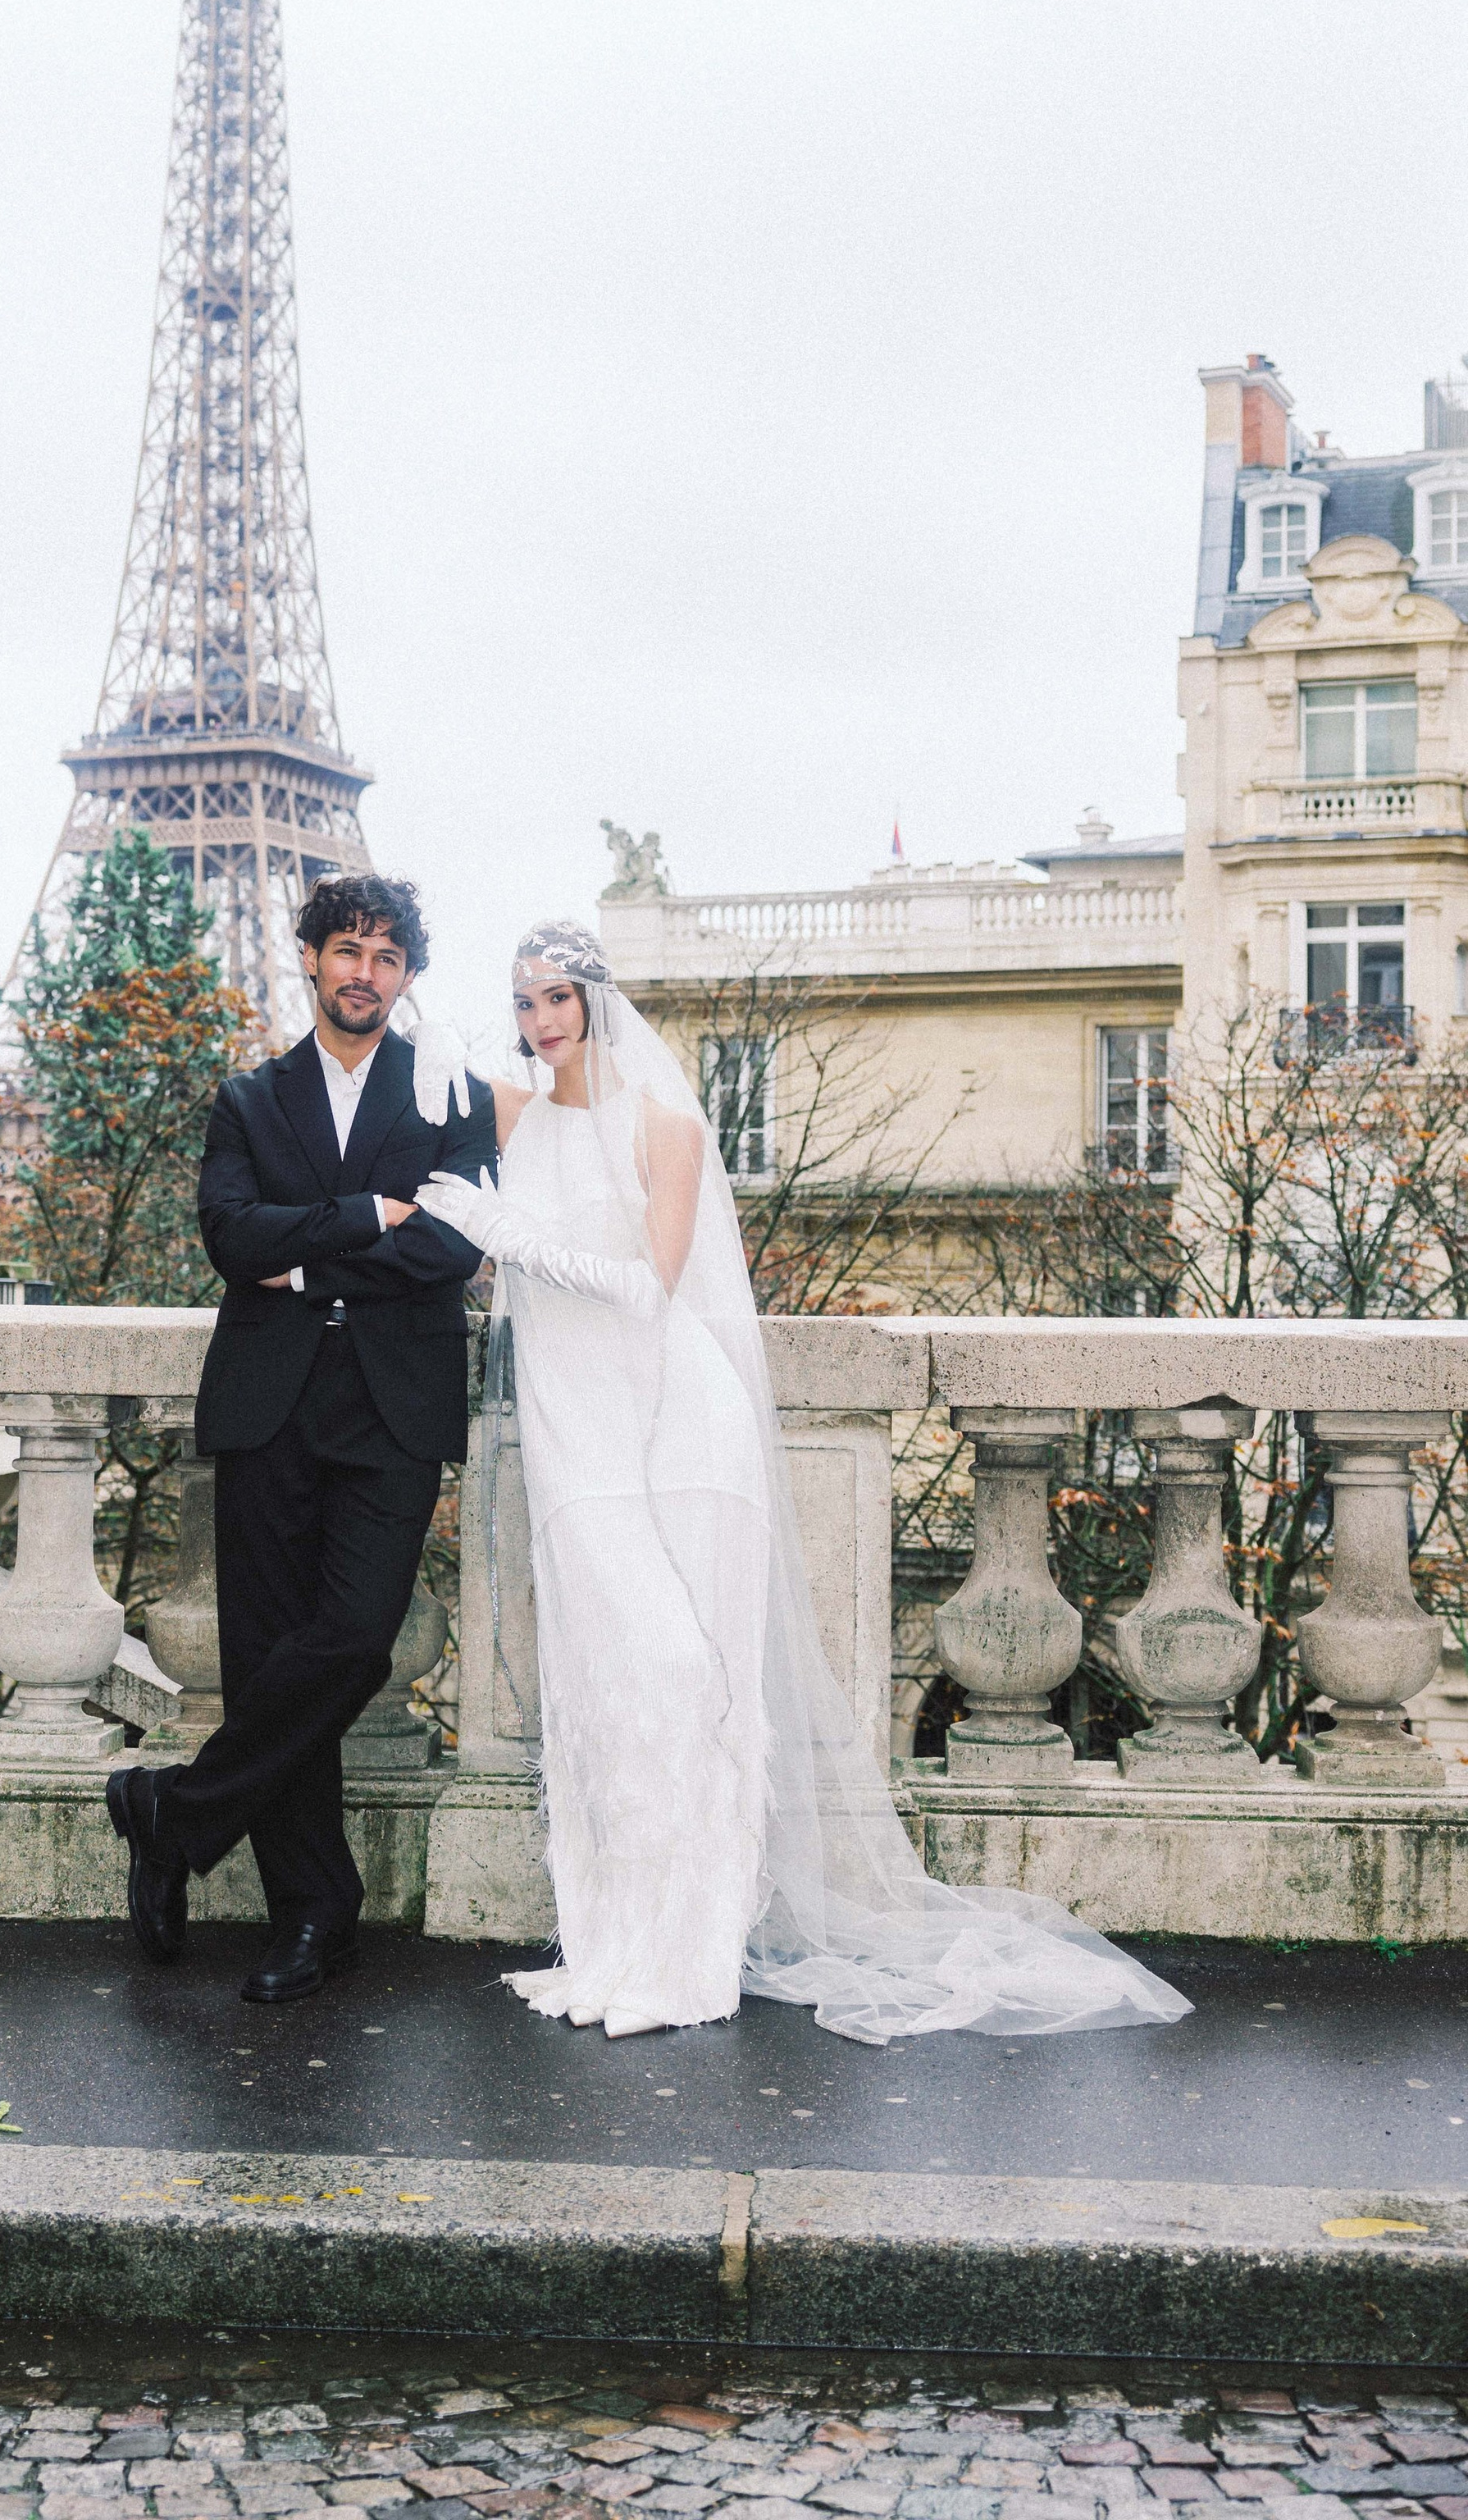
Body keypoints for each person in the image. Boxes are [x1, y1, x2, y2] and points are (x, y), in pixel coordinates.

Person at [409, 917, 1192, 2049]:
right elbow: (387, 1073)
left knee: (691, 1680)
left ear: (597, 1003)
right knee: (601, 1692)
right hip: (575, 1432)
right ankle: (611, 1945)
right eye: (522, 1001)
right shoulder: (516, 1115)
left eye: (556, 999)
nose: (538, 1023)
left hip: (681, 1427)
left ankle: (688, 1961)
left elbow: (648, 1285)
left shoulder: (666, 1125)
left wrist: (501, 1231)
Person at [108, 873, 496, 2005]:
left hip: (391, 1404)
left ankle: (172, 1815)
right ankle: (312, 1917)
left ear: (407, 976)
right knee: (271, 1657)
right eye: (346, 950)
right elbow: (233, 1239)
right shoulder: (249, 1098)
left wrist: (312, 1256)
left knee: (351, 1639)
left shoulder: (448, 1098)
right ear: (312, 961)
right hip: (270, 1399)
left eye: (385, 956)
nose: (364, 972)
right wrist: (370, 1218)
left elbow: (453, 1248)